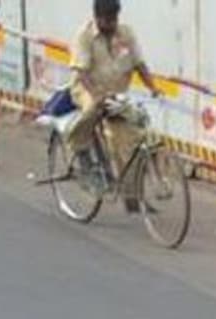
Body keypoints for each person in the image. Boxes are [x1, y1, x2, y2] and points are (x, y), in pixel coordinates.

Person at [66, 0, 162, 209]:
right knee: (92, 108)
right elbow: (81, 73)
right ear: (97, 17)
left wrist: (153, 87)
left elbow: (139, 64)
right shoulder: (84, 36)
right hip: (87, 89)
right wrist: (96, 94)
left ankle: (132, 197)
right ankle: (80, 148)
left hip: (115, 95)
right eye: (107, 20)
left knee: (130, 141)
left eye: (115, 19)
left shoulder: (125, 34)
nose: (112, 25)